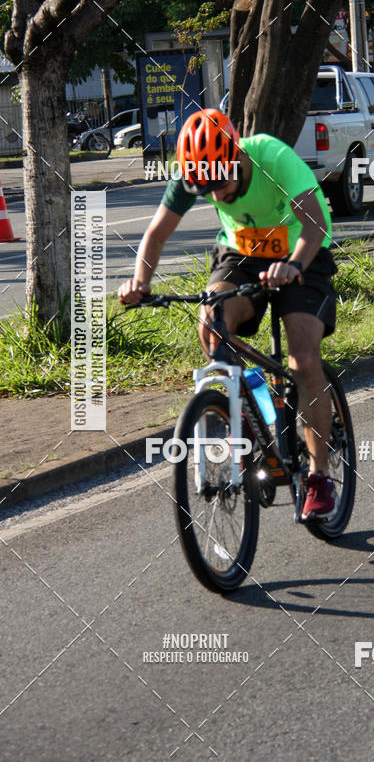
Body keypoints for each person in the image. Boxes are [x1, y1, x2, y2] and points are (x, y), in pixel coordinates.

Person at [118, 108, 339, 520]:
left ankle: (319, 475)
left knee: (303, 359)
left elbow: (315, 225)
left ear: (235, 156)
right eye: (206, 188)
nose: (217, 195)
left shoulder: (270, 158)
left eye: (220, 183)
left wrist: (294, 265)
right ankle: (246, 419)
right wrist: (139, 282)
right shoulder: (197, 172)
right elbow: (155, 234)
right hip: (242, 254)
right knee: (212, 323)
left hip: (300, 252)